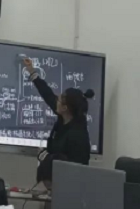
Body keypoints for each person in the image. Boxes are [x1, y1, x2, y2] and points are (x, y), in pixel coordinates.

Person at [24, 58, 95, 187]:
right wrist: (32, 72)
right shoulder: (65, 117)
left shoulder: (78, 135)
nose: (56, 100)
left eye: (59, 99)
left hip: (69, 188)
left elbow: (68, 166)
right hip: (55, 184)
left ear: (65, 108)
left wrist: (45, 157)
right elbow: (48, 95)